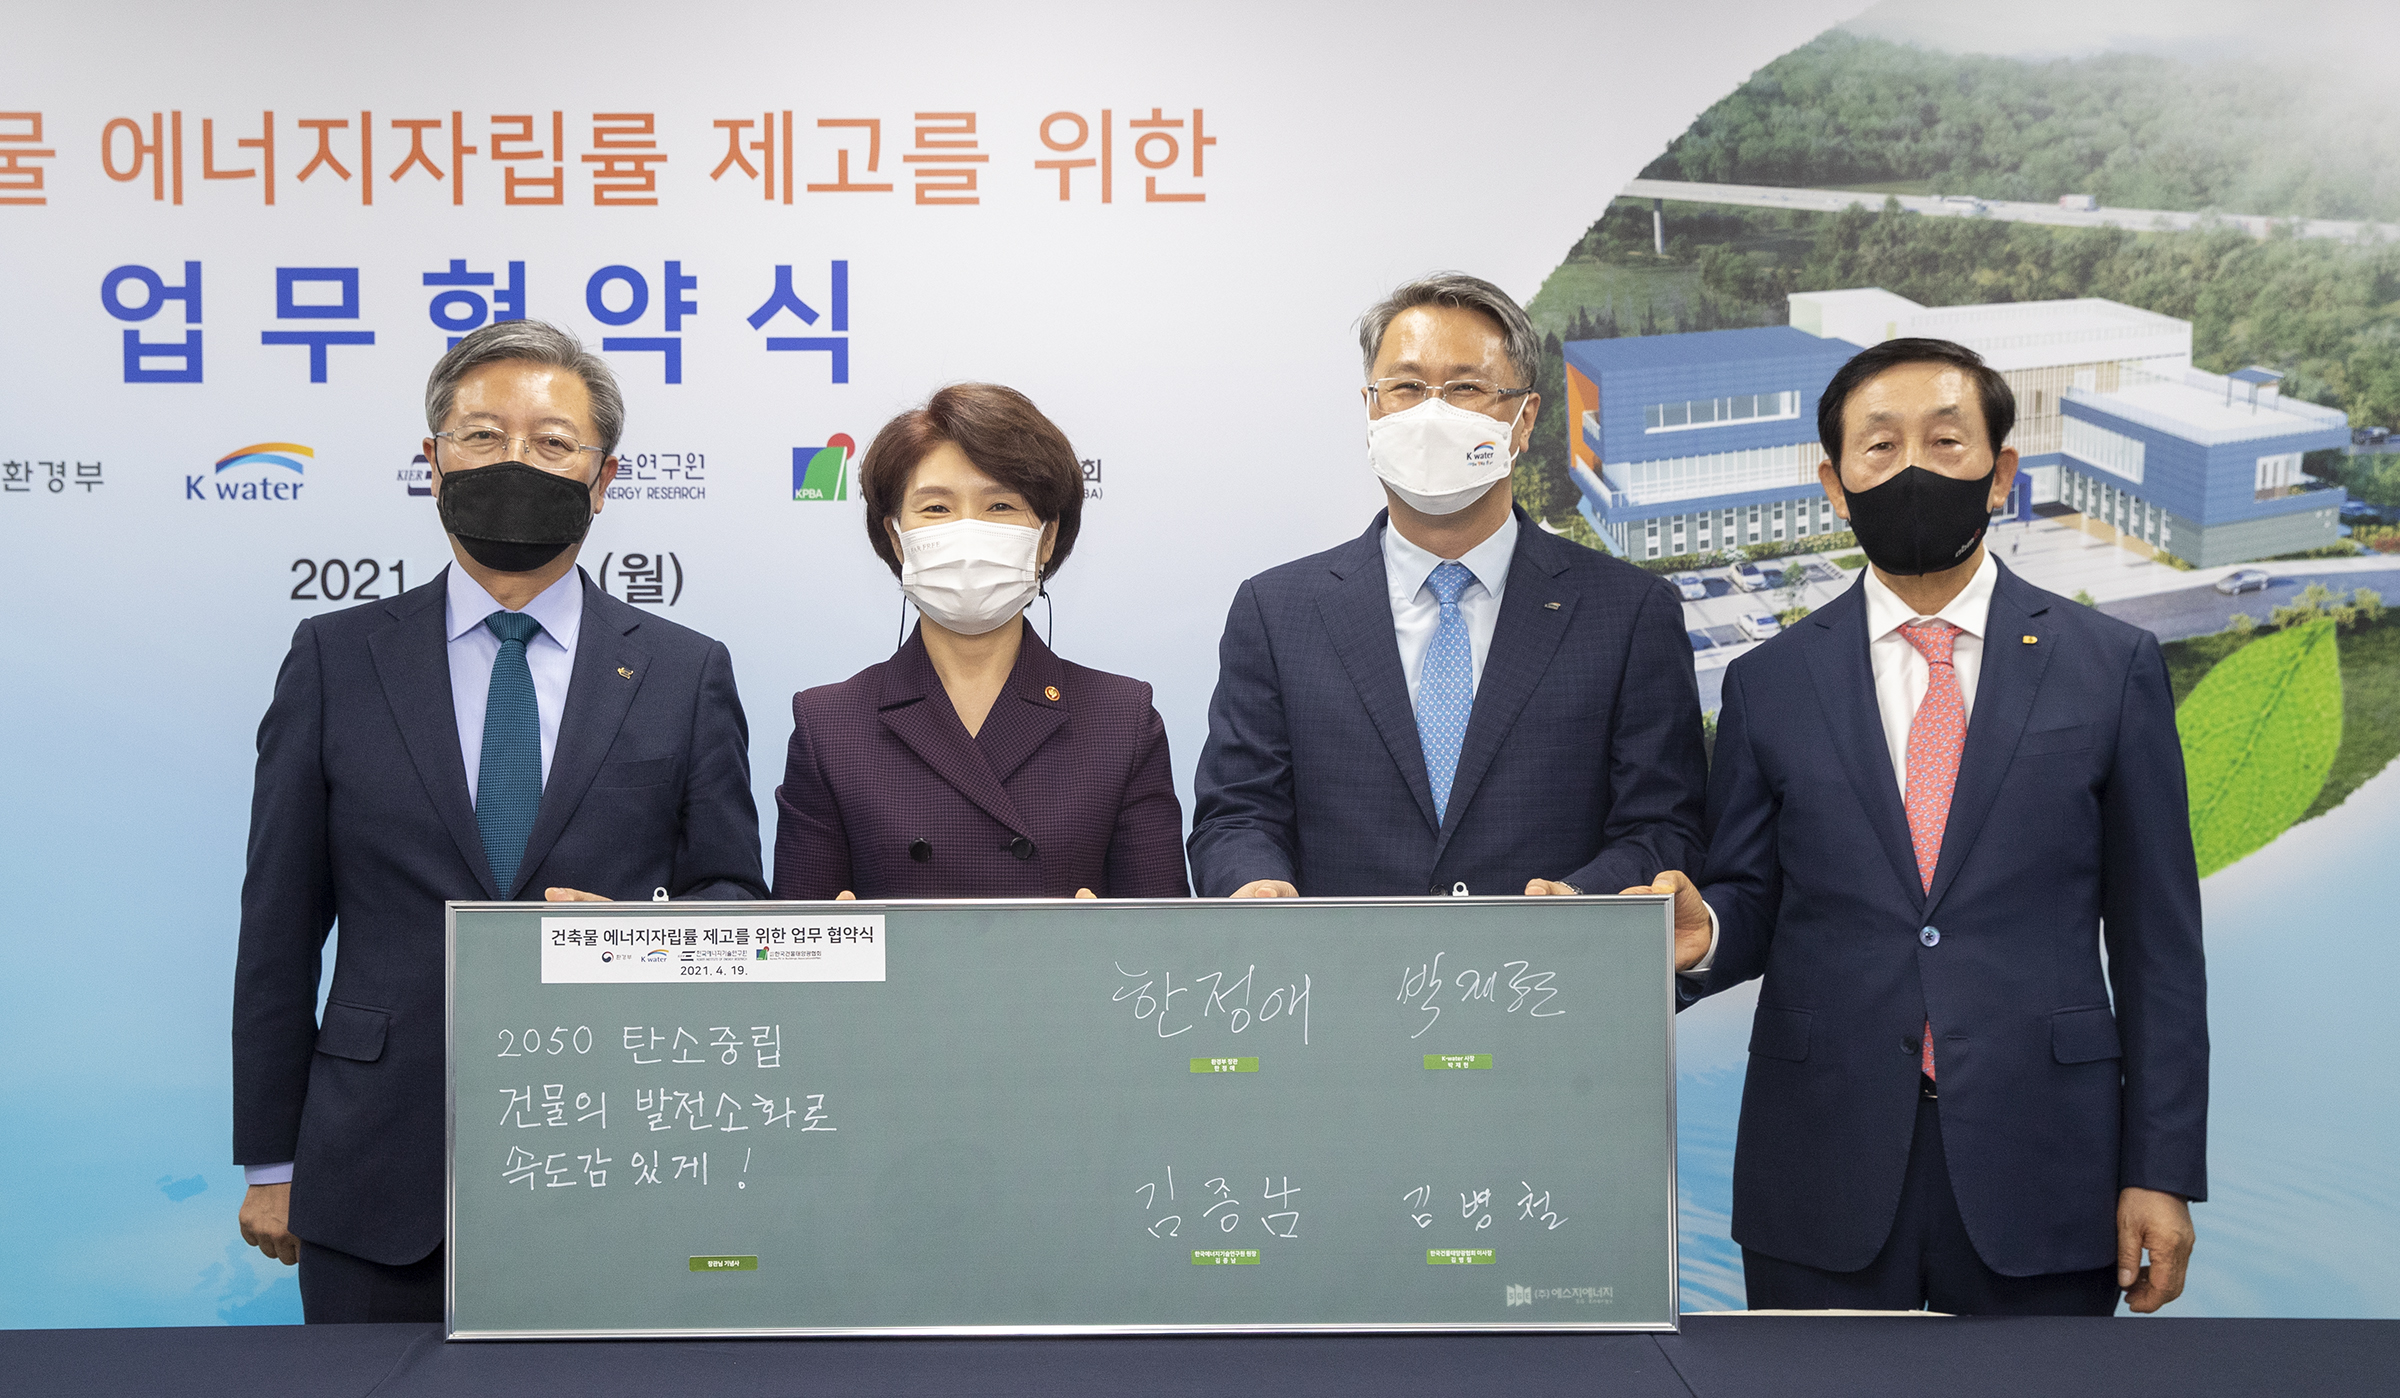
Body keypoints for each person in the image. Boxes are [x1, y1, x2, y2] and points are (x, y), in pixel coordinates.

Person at [1646, 336, 2206, 1315]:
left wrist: (2160, 1170)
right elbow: (1753, 899)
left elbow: (2159, 944)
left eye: (1946, 442)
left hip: (2048, 1160)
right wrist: (1711, 933)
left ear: (2002, 472)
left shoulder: (2109, 667)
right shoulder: (1769, 684)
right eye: (1880, 446)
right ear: (1835, 484)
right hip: (1822, 1156)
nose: (1913, 468)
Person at [232, 321, 766, 1322]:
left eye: (552, 442)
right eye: (482, 436)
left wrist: (640, 942)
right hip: (373, 1165)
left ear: (604, 480)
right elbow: (277, 925)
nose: (515, 461)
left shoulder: (685, 670)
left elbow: (734, 895)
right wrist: (272, 1158)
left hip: (619, 1150)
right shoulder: (336, 658)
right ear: (432, 463)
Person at [1187, 273, 1706, 899]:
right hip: (1338, 962)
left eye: (1466, 388)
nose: (1431, 414)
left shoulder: (1628, 612)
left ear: (1523, 419)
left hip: (1545, 958)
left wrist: (1576, 903)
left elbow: (1663, 826)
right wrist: (1254, 885)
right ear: (1371, 409)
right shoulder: (1277, 612)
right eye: (1406, 387)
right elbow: (1237, 815)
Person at [771, 383, 1188, 900]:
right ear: (897, 537)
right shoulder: (830, 725)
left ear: (1047, 538)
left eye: (1000, 505)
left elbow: (1163, 936)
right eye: (936, 508)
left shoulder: (1121, 719)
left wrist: (1105, 938)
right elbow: (799, 940)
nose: (967, 534)